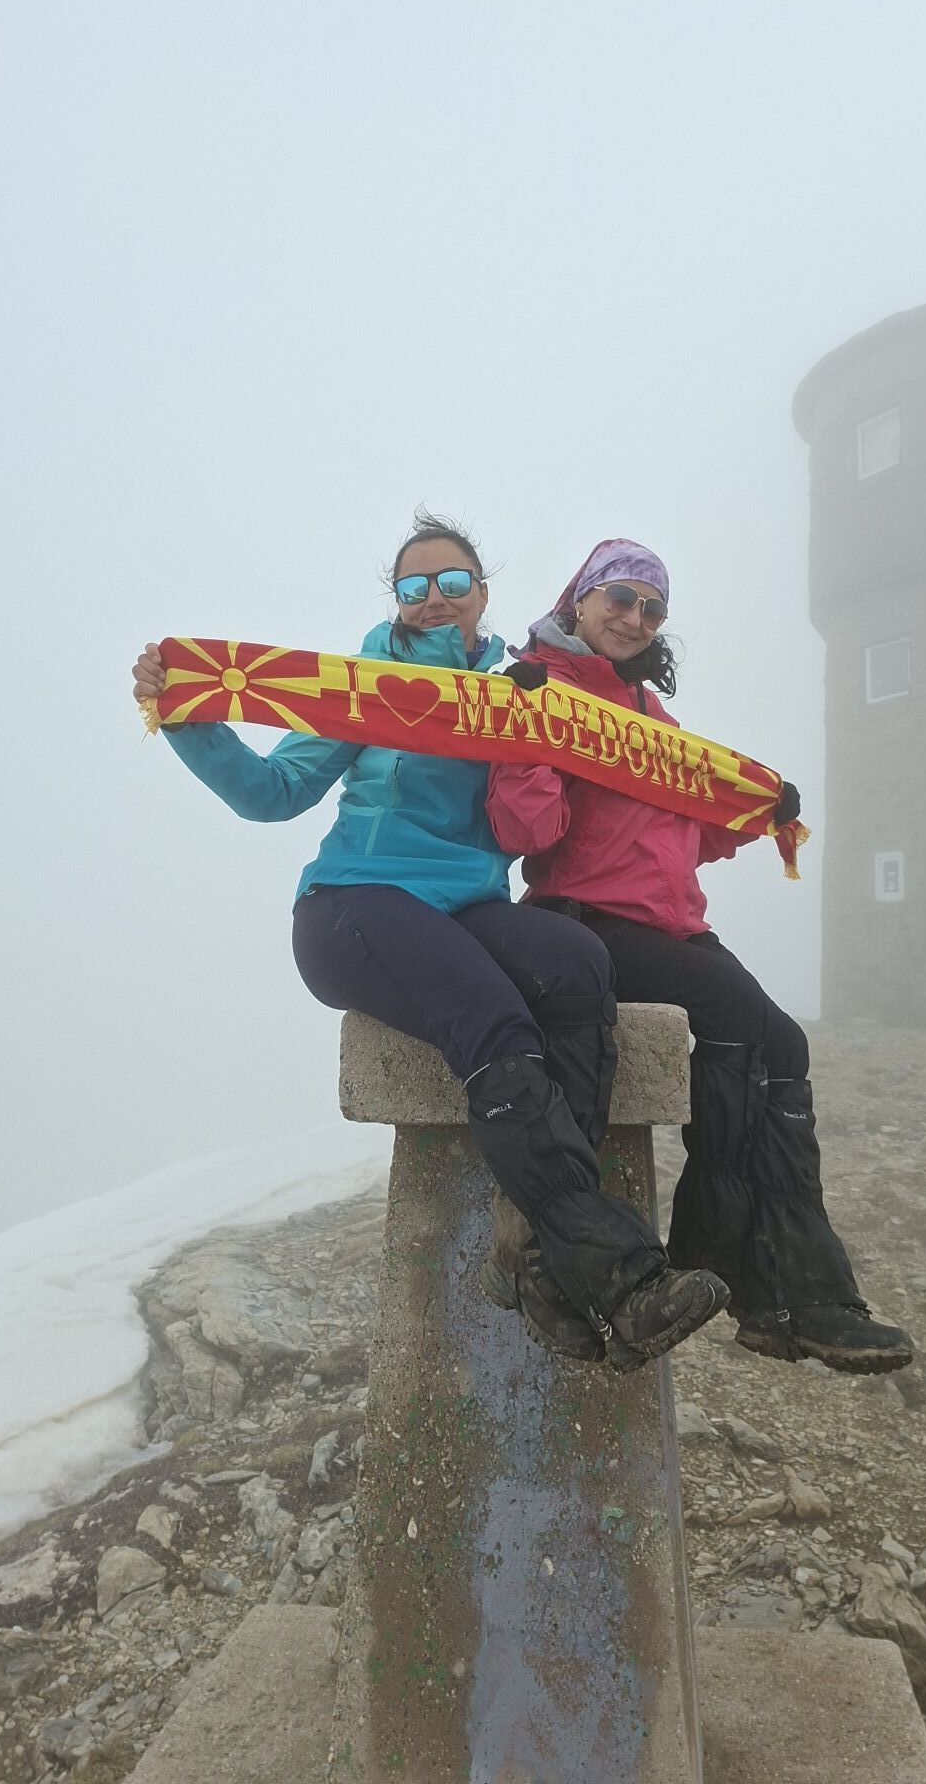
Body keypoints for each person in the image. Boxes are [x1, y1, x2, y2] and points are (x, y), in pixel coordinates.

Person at [131, 514, 728, 1372]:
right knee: (491, 1014)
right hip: (354, 902)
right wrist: (185, 715)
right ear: (397, 599)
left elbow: (607, 776)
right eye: (414, 586)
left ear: (482, 593)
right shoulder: (364, 685)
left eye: (453, 582)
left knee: (575, 962)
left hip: (466, 905)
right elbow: (271, 792)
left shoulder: (518, 686)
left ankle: (531, 1250)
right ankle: (617, 1276)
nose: (434, 599)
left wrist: (732, 803)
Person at [485, 539, 913, 1375]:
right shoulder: (541, 688)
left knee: (781, 1043)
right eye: (620, 598)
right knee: (740, 1018)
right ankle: (748, 1273)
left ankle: (794, 1291)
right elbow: (527, 832)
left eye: (652, 609)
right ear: (579, 599)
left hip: (669, 925)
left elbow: (688, 835)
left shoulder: (648, 712)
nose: (635, 618)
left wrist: (755, 811)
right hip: (589, 920)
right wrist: (526, 733)